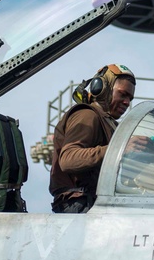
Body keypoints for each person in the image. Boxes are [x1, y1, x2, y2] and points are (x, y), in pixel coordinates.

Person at [49, 63, 137, 213]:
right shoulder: (87, 115)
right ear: (102, 89)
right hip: (79, 206)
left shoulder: (108, 123)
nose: (127, 102)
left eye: (130, 98)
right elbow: (69, 159)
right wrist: (120, 149)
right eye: (122, 94)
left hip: (94, 206)